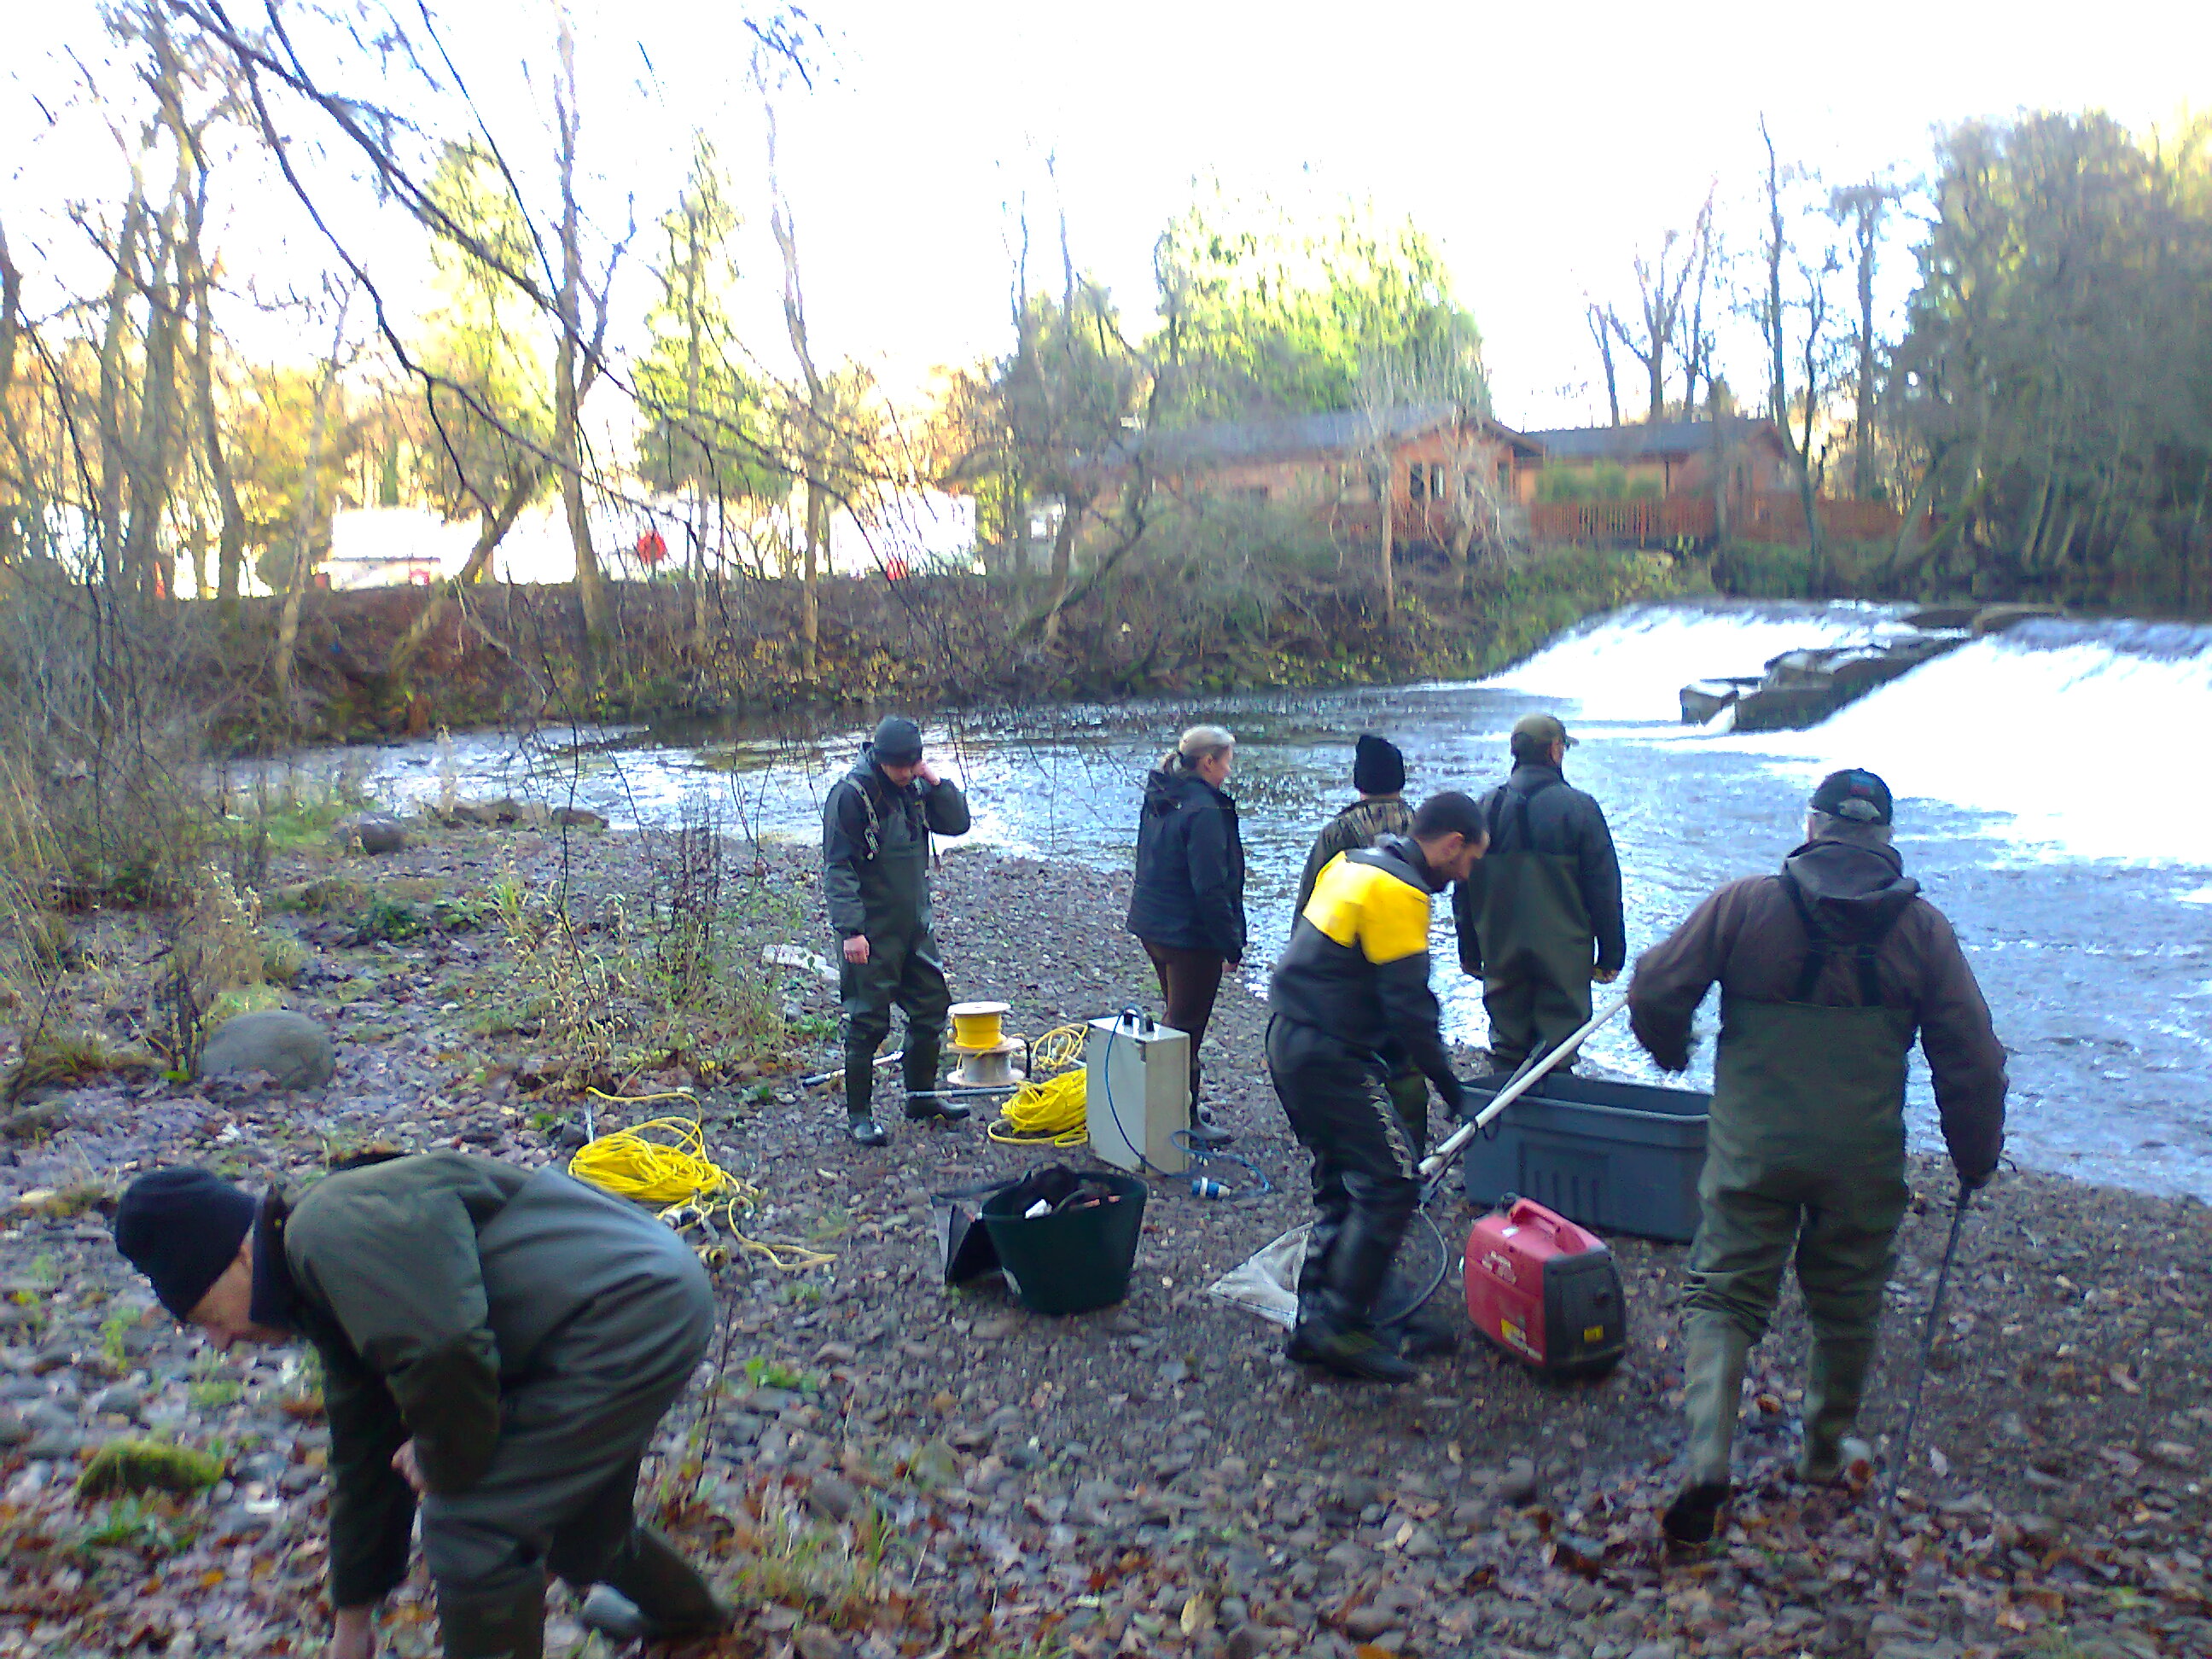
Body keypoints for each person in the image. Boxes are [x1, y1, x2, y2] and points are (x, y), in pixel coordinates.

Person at [112, 1152, 724, 1659]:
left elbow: (444, 1348)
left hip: (623, 1312)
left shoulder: (327, 1229)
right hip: (625, 1305)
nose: (219, 1343)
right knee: (575, 1521)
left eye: (205, 1317)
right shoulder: (322, 1274)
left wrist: (439, 1454)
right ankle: (691, 1617)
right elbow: (364, 1447)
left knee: (471, 1522)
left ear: (240, 1257)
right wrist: (352, 1620)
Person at [1627, 768, 2007, 1545]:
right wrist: (1974, 1156)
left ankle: (1708, 1458)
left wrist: (1672, 1050)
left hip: (1754, 1146)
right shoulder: (1923, 932)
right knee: (1847, 1299)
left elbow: (1655, 988)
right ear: (1885, 839)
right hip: (1860, 1156)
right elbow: (1972, 1059)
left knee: (1725, 1291)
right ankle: (1825, 1452)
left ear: (1811, 827)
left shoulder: (1745, 906)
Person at [1267, 791, 1489, 1383]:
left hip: (1289, 1037)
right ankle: (1338, 1325)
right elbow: (1410, 1009)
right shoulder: (1400, 891)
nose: (1467, 875)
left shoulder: (1354, 864)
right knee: (1394, 1180)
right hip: (1327, 1054)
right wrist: (1452, 1088)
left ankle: (1326, 1315)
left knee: (1343, 1180)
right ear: (1452, 844)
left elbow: (1345, 970)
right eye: (1470, 860)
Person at [824, 715, 972, 1146]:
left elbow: (958, 823)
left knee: (931, 1010)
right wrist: (851, 930)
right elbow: (838, 867)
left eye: (914, 765)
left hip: (914, 928)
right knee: (867, 1022)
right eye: (901, 767)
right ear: (881, 759)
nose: (908, 773)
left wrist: (936, 781)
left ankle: (920, 1098)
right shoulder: (850, 796)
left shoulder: (917, 788)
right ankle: (859, 1116)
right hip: (871, 932)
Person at [1453, 712, 1625, 1074]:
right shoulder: (1581, 809)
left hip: (1501, 953)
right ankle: (1554, 1099)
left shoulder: (1483, 808)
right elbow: (1604, 891)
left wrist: (1469, 952)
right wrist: (1611, 955)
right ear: (1555, 750)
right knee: (1558, 1054)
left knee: (1507, 1048)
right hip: (1564, 960)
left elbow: (1463, 888)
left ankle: (1505, 1098)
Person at [1295, 733, 1432, 1147]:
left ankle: (1361, 1143)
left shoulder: (1338, 832)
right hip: (1405, 956)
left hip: (1349, 966)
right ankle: (1413, 1144)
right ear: (1400, 779)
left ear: (1360, 781)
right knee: (1405, 1058)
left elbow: (1310, 905)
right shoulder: (1422, 827)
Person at [1125, 725, 1246, 1147]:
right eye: (1227, 761)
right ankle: (1181, 1116)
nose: (1229, 770)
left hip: (1153, 924)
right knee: (1185, 1028)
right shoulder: (1206, 810)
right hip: (1188, 935)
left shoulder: (1163, 795)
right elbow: (1211, 887)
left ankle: (1177, 1103)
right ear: (1209, 762)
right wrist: (1230, 944)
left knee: (1176, 1019)